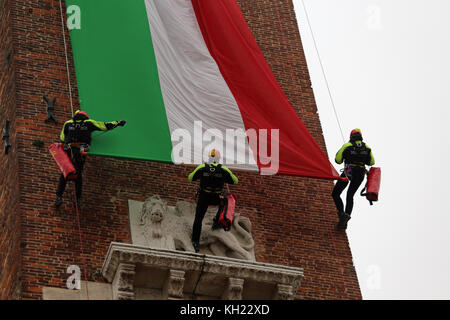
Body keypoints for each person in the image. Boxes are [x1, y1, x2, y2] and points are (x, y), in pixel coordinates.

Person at [54, 110, 126, 208]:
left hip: (69, 147)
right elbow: (104, 126)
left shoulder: (68, 123)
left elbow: (62, 138)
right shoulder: (89, 123)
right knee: (78, 173)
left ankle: (59, 196)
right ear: (85, 117)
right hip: (83, 147)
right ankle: (78, 199)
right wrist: (118, 123)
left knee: (66, 172)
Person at [188, 149, 238, 252]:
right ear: (218, 158)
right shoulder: (223, 169)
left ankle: (195, 242)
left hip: (204, 196)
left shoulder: (202, 167)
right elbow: (235, 180)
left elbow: (191, 177)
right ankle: (217, 221)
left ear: (209, 157)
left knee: (198, 219)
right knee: (226, 201)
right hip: (216, 196)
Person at [332, 128, 375, 230]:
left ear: (351, 136)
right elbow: (372, 162)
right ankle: (346, 217)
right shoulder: (367, 147)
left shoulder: (347, 145)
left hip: (349, 171)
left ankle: (342, 214)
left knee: (336, 193)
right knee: (350, 195)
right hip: (360, 173)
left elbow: (337, 160)